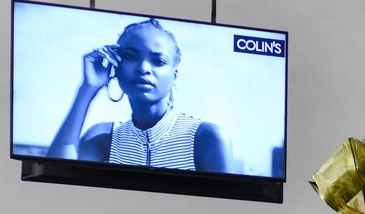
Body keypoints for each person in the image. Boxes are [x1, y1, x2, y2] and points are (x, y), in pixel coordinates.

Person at [47, 18, 231, 172]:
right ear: (115, 67)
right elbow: (57, 177)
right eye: (130, 56)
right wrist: (87, 89)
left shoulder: (207, 138)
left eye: (158, 61)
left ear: (174, 75)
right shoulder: (102, 138)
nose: (143, 68)